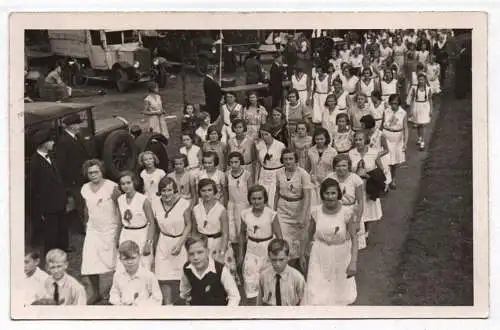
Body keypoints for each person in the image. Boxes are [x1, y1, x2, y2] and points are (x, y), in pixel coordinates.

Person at [301, 178, 358, 306]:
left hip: (341, 255)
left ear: (338, 193)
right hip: (319, 254)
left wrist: (353, 262)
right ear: (322, 194)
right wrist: (302, 254)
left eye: (333, 193)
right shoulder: (316, 211)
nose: (330, 197)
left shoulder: (347, 212)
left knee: (340, 293)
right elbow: (308, 234)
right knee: (315, 292)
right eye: (327, 193)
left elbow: (355, 238)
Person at [80, 159, 121, 304]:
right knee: (90, 262)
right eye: (90, 172)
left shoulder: (112, 187)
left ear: (101, 171)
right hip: (93, 230)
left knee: (115, 262)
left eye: (96, 172)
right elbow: (86, 209)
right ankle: (96, 292)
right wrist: (86, 225)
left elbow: (120, 208)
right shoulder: (85, 188)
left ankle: (115, 292)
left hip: (111, 229)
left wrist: (119, 231)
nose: (93, 175)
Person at [151, 177, 192, 305]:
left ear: (174, 191)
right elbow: (155, 227)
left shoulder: (184, 203)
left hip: (180, 241)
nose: (166, 193)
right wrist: (152, 246)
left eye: (169, 190)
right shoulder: (155, 203)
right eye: (163, 190)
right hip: (163, 242)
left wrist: (180, 244)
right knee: (163, 276)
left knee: (181, 275)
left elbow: (188, 225)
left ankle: (182, 302)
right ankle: (168, 304)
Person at [28, 128, 69, 254]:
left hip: (59, 202)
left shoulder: (51, 157)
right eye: (50, 141)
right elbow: (34, 188)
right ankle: (51, 255)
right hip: (49, 206)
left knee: (62, 229)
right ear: (43, 143)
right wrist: (41, 208)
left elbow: (58, 179)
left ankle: (63, 250)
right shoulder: (35, 163)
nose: (53, 143)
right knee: (51, 233)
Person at [239, 185, 283, 303]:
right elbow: (242, 234)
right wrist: (241, 254)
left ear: (265, 199)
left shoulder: (271, 214)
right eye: (253, 199)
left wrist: (279, 255)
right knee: (250, 279)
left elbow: (279, 236)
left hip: (267, 249)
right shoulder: (245, 213)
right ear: (249, 199)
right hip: (251, 249)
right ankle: (253, 307)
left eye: (259, 198)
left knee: (268, 280)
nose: (256, 201)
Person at [274, 148, 312, 271]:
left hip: (299, 208)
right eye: (285, 159)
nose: (288, 161)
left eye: (291, 158)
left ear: (296, 160)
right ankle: (287, 267)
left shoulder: (303, 174)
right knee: (284, 238)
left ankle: (301, 262)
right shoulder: (279, 173)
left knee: (299, 239)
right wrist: (274, 211)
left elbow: (307, 197)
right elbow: (277, 192)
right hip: (283, 208)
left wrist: (303, 215)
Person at [55, 113, 91, 235]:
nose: (79, 126)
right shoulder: (63, 141)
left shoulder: (76, 137)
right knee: (80, 204)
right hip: (75, 180)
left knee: (87, 201)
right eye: (76, 124)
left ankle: (89, 224)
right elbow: (62, 164)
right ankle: (85, 228)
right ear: (70, 126)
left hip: (83, 176)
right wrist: (70, 181)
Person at [179, 234, 240, 306]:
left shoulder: (220, 269)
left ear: (207, 251)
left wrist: (226, 314)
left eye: (200, 252)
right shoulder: (187, 269)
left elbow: (235, 296)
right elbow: (184, 292)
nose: (196, 257)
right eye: (191, 254)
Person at [116, 171, 156, 271]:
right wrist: (117, 238)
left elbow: (151, 222)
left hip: (141, 234)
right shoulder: (120, 199)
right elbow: (120, 221)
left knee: (143, 265)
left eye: (128, 183)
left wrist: (148, 243)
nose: (126, 186)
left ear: (134, 182)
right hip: (126, 234)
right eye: (123, 184)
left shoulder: (143, 200)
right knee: (124, 265)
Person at [349, 131, 384, 240]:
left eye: (360, 139)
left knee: (368, 207)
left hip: (369, 184)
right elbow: (349, 169)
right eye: (356, 140)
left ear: (366, 141)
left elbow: (380, 170)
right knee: (356, 206)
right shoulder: (351, 153)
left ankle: (367, 231)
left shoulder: (374, 153)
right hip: (356, 184)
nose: (358, 142)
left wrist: (369, 176)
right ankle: (358, 229)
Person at [109, 240, 163, 306]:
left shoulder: (149, 276)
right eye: (125, 259)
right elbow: (114, 293)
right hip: (123, 310)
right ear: (120, 259)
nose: (130, 262)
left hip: (143, 312)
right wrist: (118, 303)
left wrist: (140, 305)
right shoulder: (118, 275)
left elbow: (157, 299)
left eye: (133, 258)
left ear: (139, 256)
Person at [257, 238, 305, 306]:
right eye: (274, 260)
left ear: (288, 257)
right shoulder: (264, 276)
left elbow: (303, 302)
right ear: (269, 258)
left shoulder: (297, 278)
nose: (277, 264)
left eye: (281, 259)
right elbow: (259, 302)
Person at [226, 151, 253, 256]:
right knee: (232, 232)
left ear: (240, 162)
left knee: (242, 231)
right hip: (231, 205)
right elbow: (225, 191)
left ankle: (245, 255)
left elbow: (251, 191)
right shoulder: (227, 174)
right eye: (231, 162)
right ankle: (235, 256)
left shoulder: (247, 174)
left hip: (244, 205)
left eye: (236, 162)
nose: (234, 165)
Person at [255, 124, 286, 209]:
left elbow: (285, 161)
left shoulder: (280, 145)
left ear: (271, 134)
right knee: (263, 197)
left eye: (266, 134)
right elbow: (258, 163)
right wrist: (256, 179)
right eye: (262, 135)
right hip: (264, 174)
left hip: (276, 174)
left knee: (273, 198)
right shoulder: (259, 145)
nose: (264, 137)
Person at [382, 94, 409, 189]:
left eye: (395, 104)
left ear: (399, 104)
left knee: (394, 161)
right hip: (386, 137)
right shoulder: (386, 111)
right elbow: (382, 126)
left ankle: (393, 179)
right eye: (392, 103)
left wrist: (405, 143)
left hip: (397, 138)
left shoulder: (403, 113)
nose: (393, 106)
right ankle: (387, 180)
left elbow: (405, 128)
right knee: (386, 160)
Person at [307, 128, 337, 207]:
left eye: (321, 139)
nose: (319, 141)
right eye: (317, 139)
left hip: (328, 180)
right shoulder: (310, 151)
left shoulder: (333, 151)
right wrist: (312, 177)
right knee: (315, 204)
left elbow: (335, 168)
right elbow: (308, 166)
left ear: (326, 139)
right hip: (314, 181)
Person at [361, 115, 392, 191]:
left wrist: (377, 155)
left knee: (382, 172)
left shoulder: (380, 134)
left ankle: (385, 185)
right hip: (368, 157)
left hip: (379, 157)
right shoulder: (364, 134)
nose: (361, 126)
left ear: (367, 124)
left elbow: (386, 150)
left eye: (362, 125)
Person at [407, 73, 433, 150]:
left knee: (422, 125)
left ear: (425, 80)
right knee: (418, 124)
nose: (421, 81)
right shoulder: (414, 89)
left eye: (422, 79)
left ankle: (422, 142)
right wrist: (411, 110)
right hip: (417, 107)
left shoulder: (428, 89)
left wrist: (431, 109)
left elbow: (430, 100)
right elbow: (412, 100)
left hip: (425, 107)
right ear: (418, 80)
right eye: (420, 79)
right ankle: (419, 137)